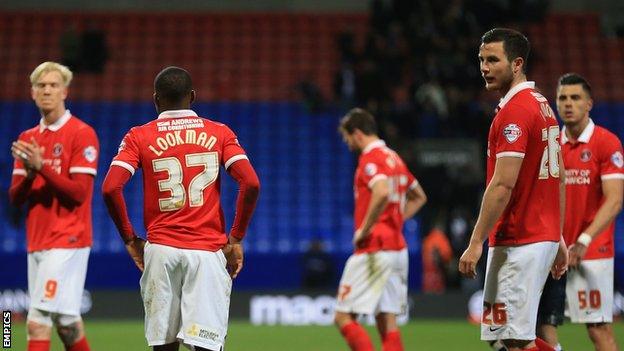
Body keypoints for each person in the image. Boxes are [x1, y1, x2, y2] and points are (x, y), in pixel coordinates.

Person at [101, 66, 260, 351]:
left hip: (161, 251)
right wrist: (235, 238)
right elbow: (251, 183)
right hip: (207, 253)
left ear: (155, 99)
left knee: (164, 346)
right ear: (193, 96)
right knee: (206, 346)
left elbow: (110, 187)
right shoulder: (219, 132)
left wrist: (129, 238)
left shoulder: (139, 136)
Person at [458, 28, 568, 351]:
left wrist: (476, 242)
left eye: (493, 60)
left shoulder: (515, 113)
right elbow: (557, 176)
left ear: (517, 63)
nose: (484, 67)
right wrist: (557, 236)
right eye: (481, 60)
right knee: (509, 337)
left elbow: (503, 185)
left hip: (520, 239)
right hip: (540, 234)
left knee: (515, 339)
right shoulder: (543, 105)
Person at [9, 61, 97, 351]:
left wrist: (42, 167)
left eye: (53, 85)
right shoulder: (28, 139)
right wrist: (30, 174)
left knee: (37, 320)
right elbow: (15, 198)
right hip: (38, 239)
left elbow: (79, 194)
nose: (47, 90)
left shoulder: (82, 134)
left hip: (68, 238)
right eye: (41, 86)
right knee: (68, 323)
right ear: (33, 93)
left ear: (65, 92)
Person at [334, 108, 427, 351]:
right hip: (397, 248)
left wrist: (365, 228)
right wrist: (396, 219)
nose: (348, 144)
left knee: (343, 317)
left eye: (347, 138)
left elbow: (382, 191)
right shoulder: (394, 157)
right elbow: (419, 197)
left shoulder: (370, 158)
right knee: (387, 322)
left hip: (375, 247)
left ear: (357, 134)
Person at [557, 73, 623, 350]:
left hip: (592, 252)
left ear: (589, 104)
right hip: (551, 251)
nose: (568, 104)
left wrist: (583, 240)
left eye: (575, 98)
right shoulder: (550, 146)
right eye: (562, 98)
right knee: (539, 325)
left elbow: (615, 200)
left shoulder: (606, 143)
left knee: (598, 330)